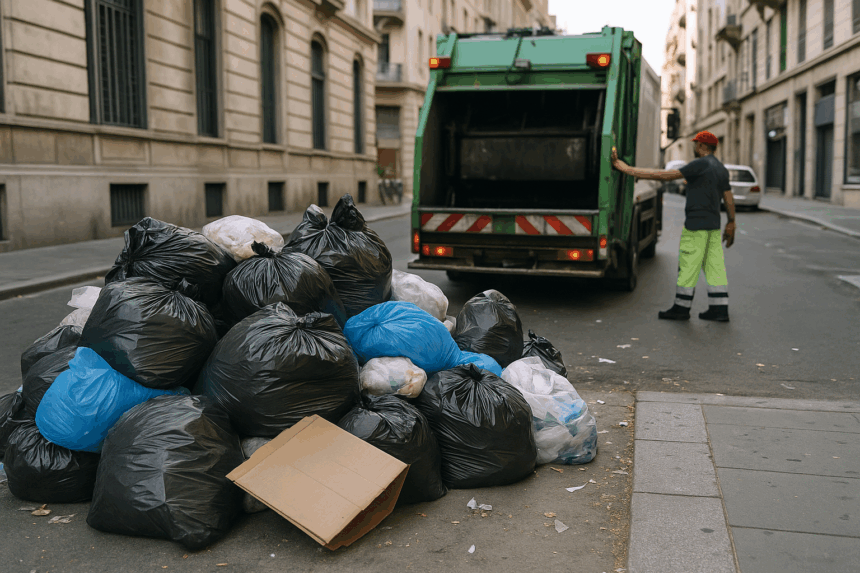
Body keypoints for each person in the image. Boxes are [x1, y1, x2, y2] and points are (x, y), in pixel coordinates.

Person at [610, 131, 736, 321]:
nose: (694, 148)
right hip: (713, 226)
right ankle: (720, 309)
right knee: (715, 267)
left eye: (696, 144)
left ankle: (681, 308)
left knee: (688, 265)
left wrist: (627, 169)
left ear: (702, 146)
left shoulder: (700, 164)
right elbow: (728, 197)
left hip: (695, 225)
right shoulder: (721, 168)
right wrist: (731, 222)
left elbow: (665, 175)